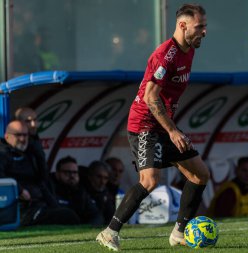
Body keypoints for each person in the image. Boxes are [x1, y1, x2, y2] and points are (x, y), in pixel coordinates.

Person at [96, 3, 209, 251]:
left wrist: (169, 128)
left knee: (200, 174)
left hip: (163, 125)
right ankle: (109, 232)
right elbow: (150, 97)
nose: (204, 31)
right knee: (149, 180)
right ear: (182, 25)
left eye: (205, 26)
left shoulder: (189, 49)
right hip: (145, 125)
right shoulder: (165, 55)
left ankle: (179, 232)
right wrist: (172, 130)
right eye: (200, 26)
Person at [0, 120, 79, 226]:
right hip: (19, 207)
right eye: (18, 135)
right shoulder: (2, 153)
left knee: (69, 214)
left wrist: (38, 151)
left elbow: (43, 177)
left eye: (25, 135)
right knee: (66, 216)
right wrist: (19, 190)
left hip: (38, 203)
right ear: (7, 136)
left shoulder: (30, 154)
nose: (23, 139)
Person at [52, 156, 103, 225]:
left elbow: (96, 215)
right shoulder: (50, 189)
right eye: (67, 172)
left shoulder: (80, 191)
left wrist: (87, 227)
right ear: (57, 174)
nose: (72, 176)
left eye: (75, 172)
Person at [15, 107, 49, 178]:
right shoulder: (12, 146)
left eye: (35, 120)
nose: (33, 125)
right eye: (28, 121)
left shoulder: (35, 141)